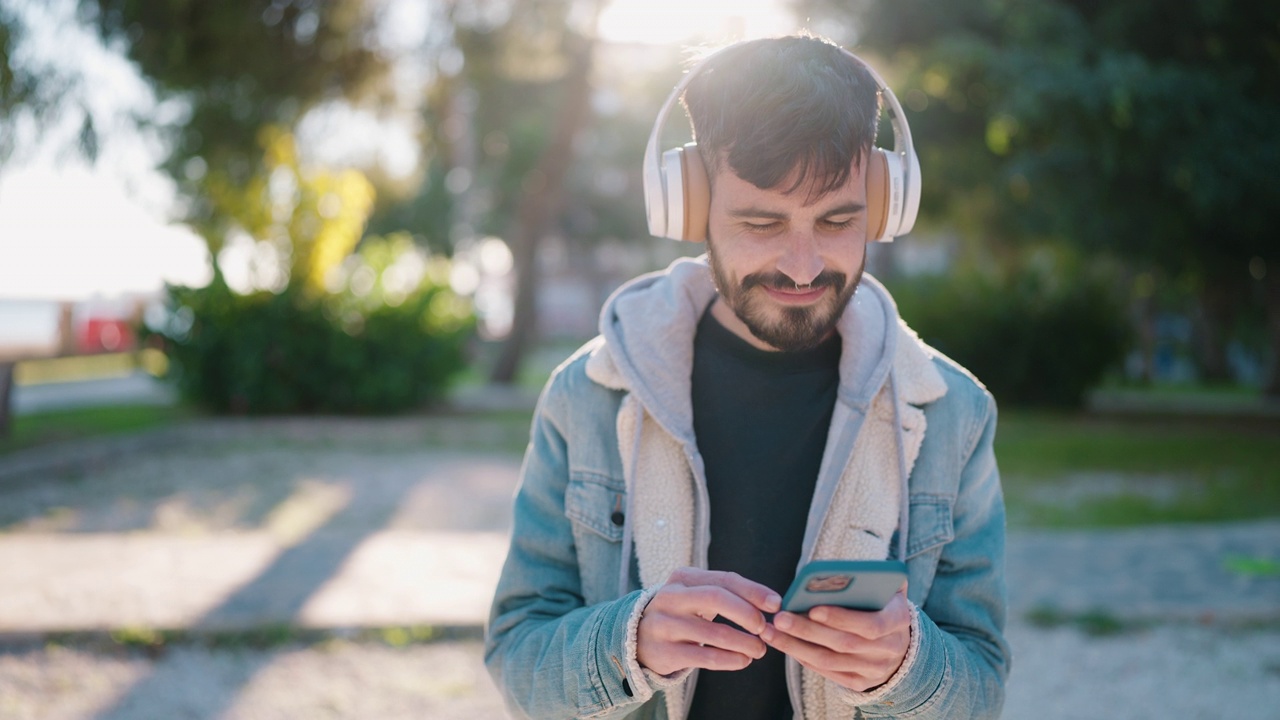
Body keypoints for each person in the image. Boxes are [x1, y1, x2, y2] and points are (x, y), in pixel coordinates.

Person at [484, 34, 1009, 719]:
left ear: (884, 205)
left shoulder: (953, 413)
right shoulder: (586, 395)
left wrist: (909, 668)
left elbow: (982, 688)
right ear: (691, 206)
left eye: (837, 220)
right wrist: (628, 643)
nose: (801, 265)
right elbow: (515, 655)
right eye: (762, 222)